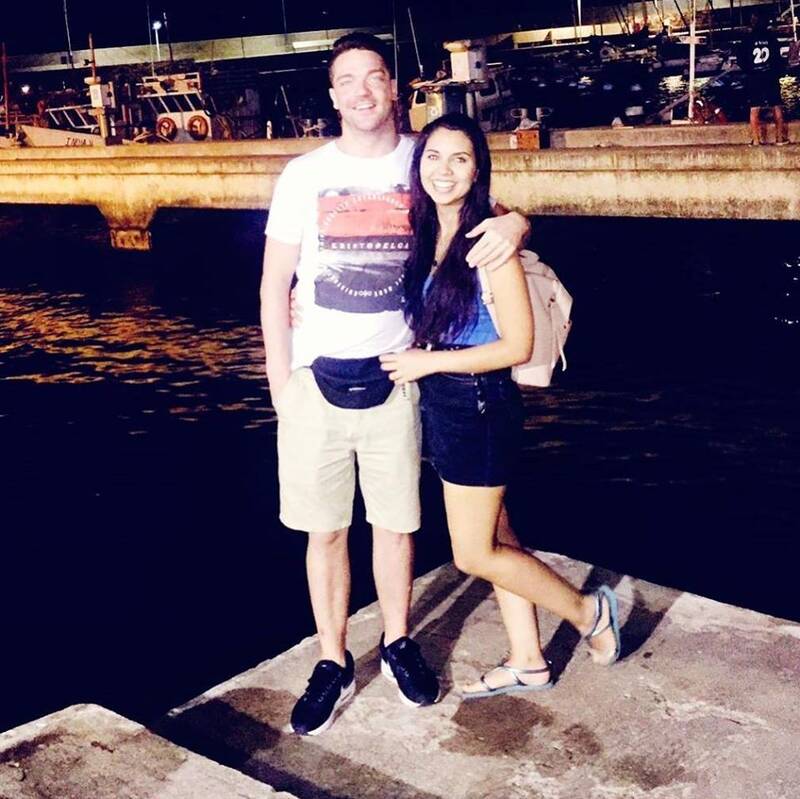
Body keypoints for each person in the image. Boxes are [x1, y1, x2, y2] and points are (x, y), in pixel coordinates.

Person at [260, 34, 529, 735]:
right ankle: (331, 658)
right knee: (324, 531)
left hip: (400, 376)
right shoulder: (304, 175)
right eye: (347, 80)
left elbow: (484, 208)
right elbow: (273, 283)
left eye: (374, 76)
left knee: (397, 524)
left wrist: (518, 222)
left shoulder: (421, 159)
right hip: (314, 379)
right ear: (332, 95)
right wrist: (280, 384)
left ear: (394, 86)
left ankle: (399, 640)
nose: (361, 91)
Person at [379, 113, 621, 699]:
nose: (444, 170)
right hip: (447, 405)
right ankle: (529, 660)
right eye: (434, 156)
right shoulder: (426, 232)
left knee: (473, 553)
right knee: (501, 533)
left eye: (460, 159)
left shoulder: (488, 242)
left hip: (479, 406)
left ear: (477, 171)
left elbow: (518, 345)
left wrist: (426, 363)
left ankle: (588, 612)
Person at [738, 13, 788, 146]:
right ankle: (779, 138)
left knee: (754, 108)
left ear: (752, 23)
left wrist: (750, 71)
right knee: (776, 105)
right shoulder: (771, 38)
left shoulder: (747, 39)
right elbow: (778, 59)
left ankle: (756, 140)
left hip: (755, 77)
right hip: (770, 76)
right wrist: (776, 72)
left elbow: (741, 60)